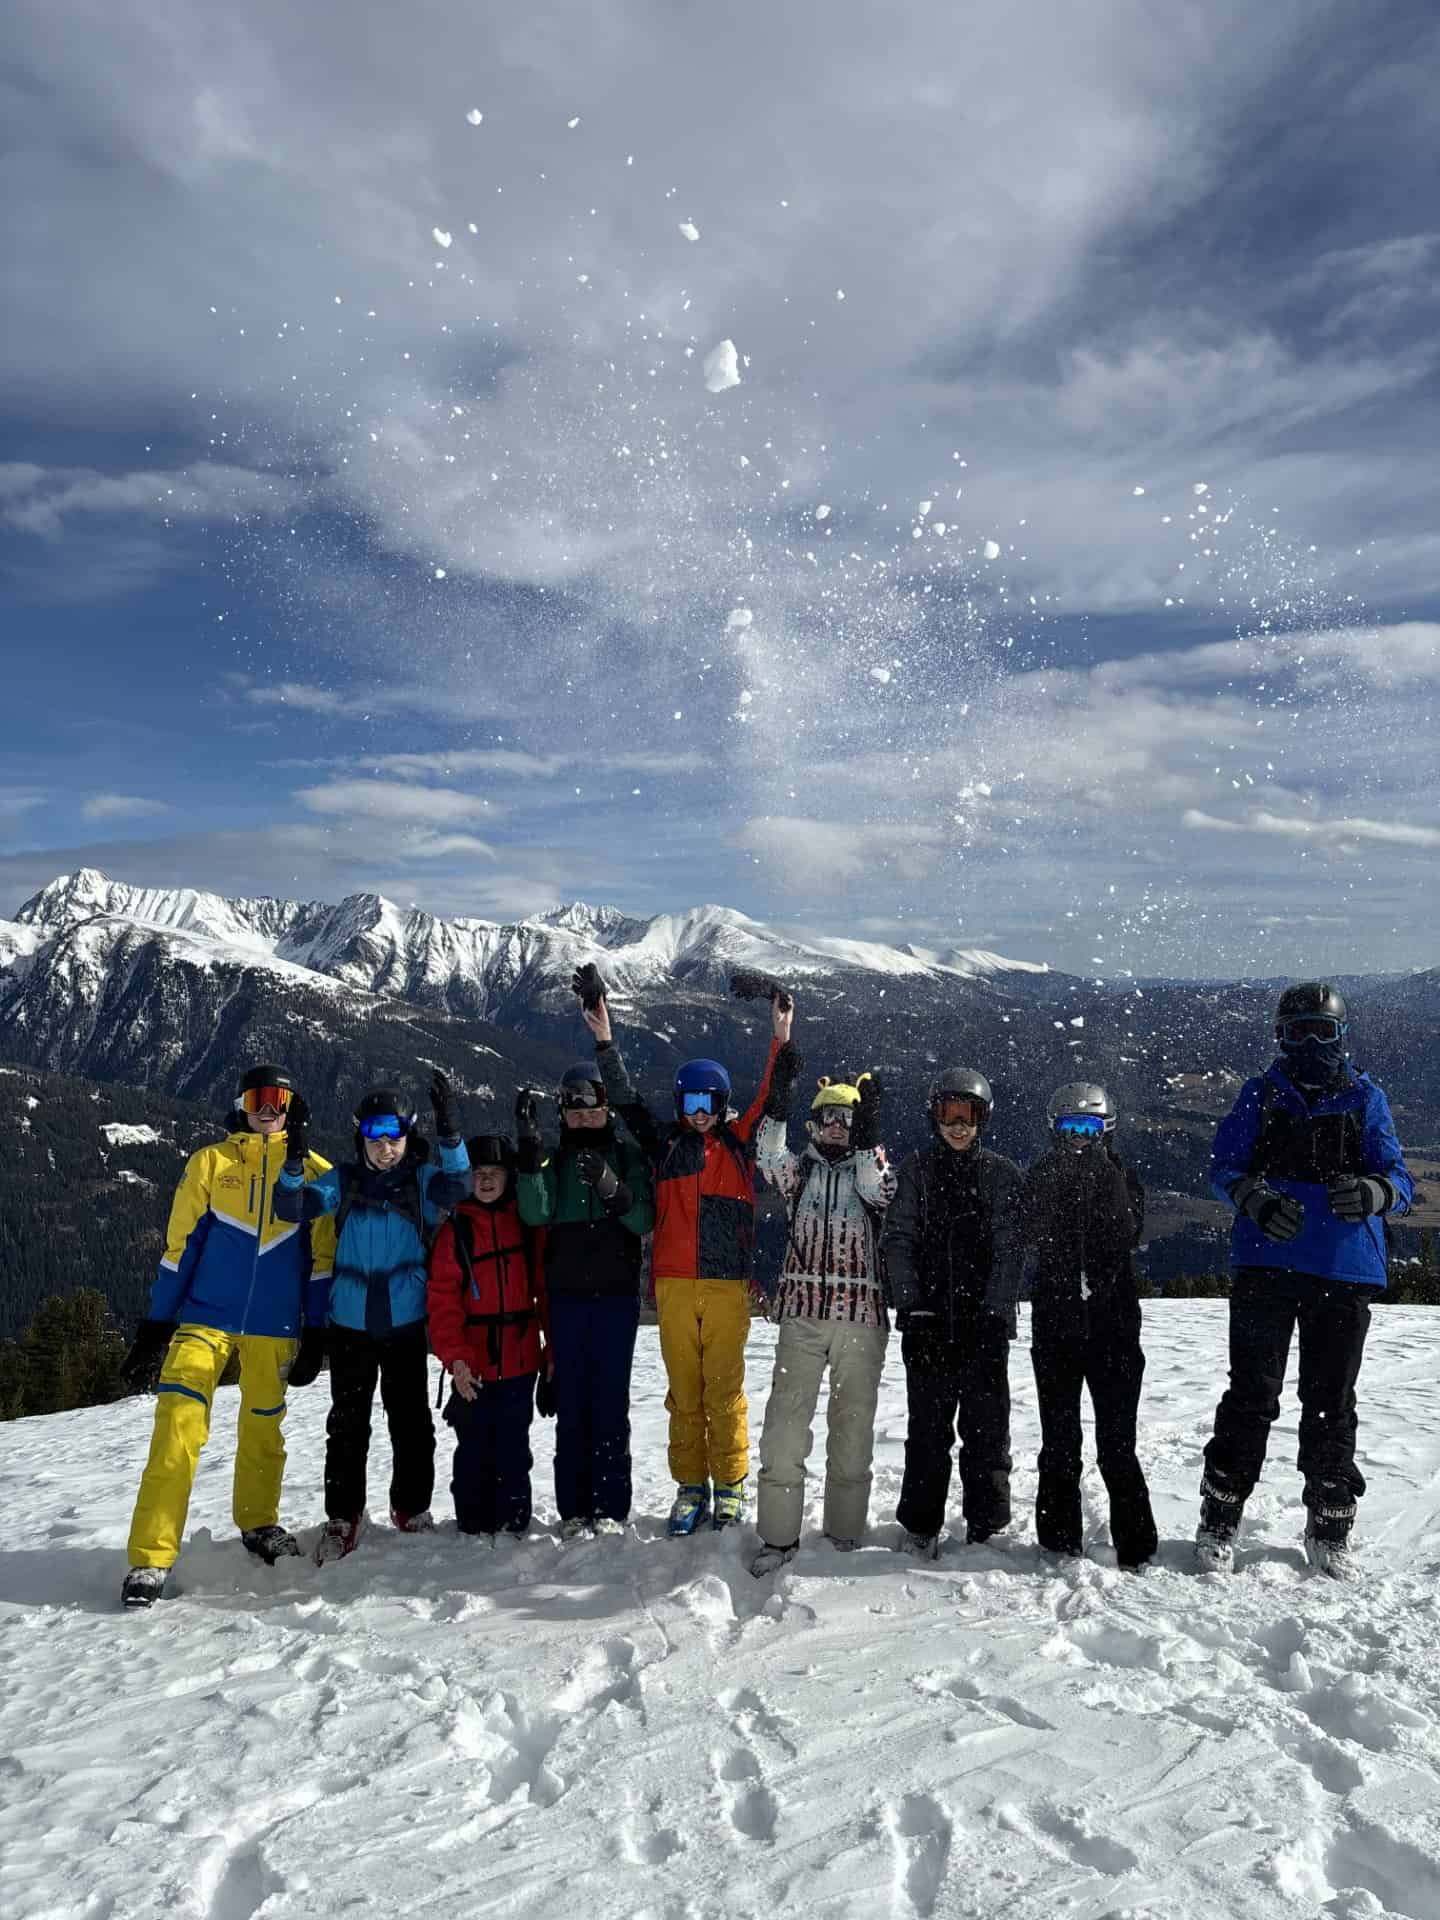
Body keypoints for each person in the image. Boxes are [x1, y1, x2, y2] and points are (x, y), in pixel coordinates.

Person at [1195, 982, 1413, 1580]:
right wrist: (1251, 1198)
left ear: (1342, 1035)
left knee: (1330, 1400)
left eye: (1323, 1031)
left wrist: (1376, 1191)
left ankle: (1329, 1524)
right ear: (1280, 1037)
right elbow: (1223, 1166)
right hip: (1269, 1264)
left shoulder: (1367, 1099)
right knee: (1252, 1395)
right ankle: (1220, 1517)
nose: (1311, 1043)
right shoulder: (1260, 1095)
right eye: (1299, 1032)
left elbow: (1399, 1174)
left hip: (1343, 1270)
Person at [581, 965, 804, 1534]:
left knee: (723, 1393)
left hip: (728, 1286)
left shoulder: (738, 1141)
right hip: (674, 1286)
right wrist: (605, 1038)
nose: (699, 1110)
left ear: (722, 1101)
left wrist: (780, 1037)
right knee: (684, 1395)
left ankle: (728, 1486)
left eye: (709, 1100)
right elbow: (626, 1099)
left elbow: (773, 1097)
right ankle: (689, 1486)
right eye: (690, 1100)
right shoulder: (665, 1146)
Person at [117, 1064, 335, 1608]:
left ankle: (259, 1523)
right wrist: (156, 1323)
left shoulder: (316, 1173)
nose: (269, 1107)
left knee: (264, 1430)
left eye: (280, 1098)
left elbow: (322, 1263)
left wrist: (318, 1331)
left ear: (293, 1106)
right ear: (241, 1103)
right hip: (205, 1318)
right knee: (177, 1427)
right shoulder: (211, 1163)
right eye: (259, 1097)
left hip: (275, 1325)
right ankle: (151, 1557)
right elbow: (180, 1246)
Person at [274, 1073, 470, 1562]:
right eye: (375, 1137)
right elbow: (290, 1206)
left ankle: (411, 1509)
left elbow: (460, 1186)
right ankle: (343, 1517)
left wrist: (451, 1135)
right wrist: (294, 1159)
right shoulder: (343, 1180)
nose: (386, 1148)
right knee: (347, 1425)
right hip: (351, 1327)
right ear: (361, 1136)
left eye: (395, 1137)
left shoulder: (423, 1180)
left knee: (411, 1423)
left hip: (405, 1324)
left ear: (408, 1136)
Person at [749, 1071, 896, 1576]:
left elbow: (877, 1189)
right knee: (785, 1431)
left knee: (852, 1431)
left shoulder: (872, 1169)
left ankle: (845, 1533)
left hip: (861, 1318)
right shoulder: (800, 1174)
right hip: (803, 1318)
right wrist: (779, 1102)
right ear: (812, 1126)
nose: (836, 1127)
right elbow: (766, 1156)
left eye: (847, 1119)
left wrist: (870, 1135)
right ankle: (777, 1537)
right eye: (827, 1118)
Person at [882, 1067, 1024, 1558]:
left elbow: (1011, 1250)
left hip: (981, 1326)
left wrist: (995, 1312)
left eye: (968, 1115)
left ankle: (986, 1523)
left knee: (987, 1432)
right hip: (929, 1324)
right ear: (934, 1118)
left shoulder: (1002, 1176)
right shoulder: (917, 1171)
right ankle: (921, 1523)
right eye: (948, 1114)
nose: (958, 1126)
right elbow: (898, 1239)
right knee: (927, 1432)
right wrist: (912, 1305)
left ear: (983, 1119)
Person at [513, 1062, 655, 1539]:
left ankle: (612, 1507)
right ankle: (575, 1510)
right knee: (573, 1404)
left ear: (605, 1107)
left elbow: (642, 1222)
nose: (584, 1115)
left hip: (616, 1296)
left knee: (610, 1403)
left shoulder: (627, 1155)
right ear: (562, 1112)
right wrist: (530, 1158)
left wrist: (610, 1185)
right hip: (568, 1297)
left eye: (592, 1105)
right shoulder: (555, 1161)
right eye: (574, 1108)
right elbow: (535, 1213)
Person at [1024, 1083, 1157, 1570]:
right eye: (1070, 1129)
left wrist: (1101, 1175)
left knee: (1118, 1444)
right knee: (1059, 1442)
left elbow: (1126, 1231)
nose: (1079, 1139)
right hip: (1056, 1329)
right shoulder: (1042, 1174)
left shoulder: (1122, 1175)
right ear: (1055, 1131)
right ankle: (1058, 1540)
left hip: (1114, 1329)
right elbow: (1030, 1228)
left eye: (1090, 1129)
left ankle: (1136, 1544)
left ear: (1107, 1132)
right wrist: (1059, 1180)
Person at [427, 1134, 547, 1540]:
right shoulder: (456, 1231)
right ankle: (473, 1519)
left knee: (514, 1445)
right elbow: (443, 1303)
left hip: (520, 1357)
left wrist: (551, 1353)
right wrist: (456, 1360)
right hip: (473, 1364)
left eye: (495, 1173)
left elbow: (543, 1288)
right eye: (478, 1174)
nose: (487, 1181)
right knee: (474, 1446)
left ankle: (514, 1518)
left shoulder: (524, 1224)